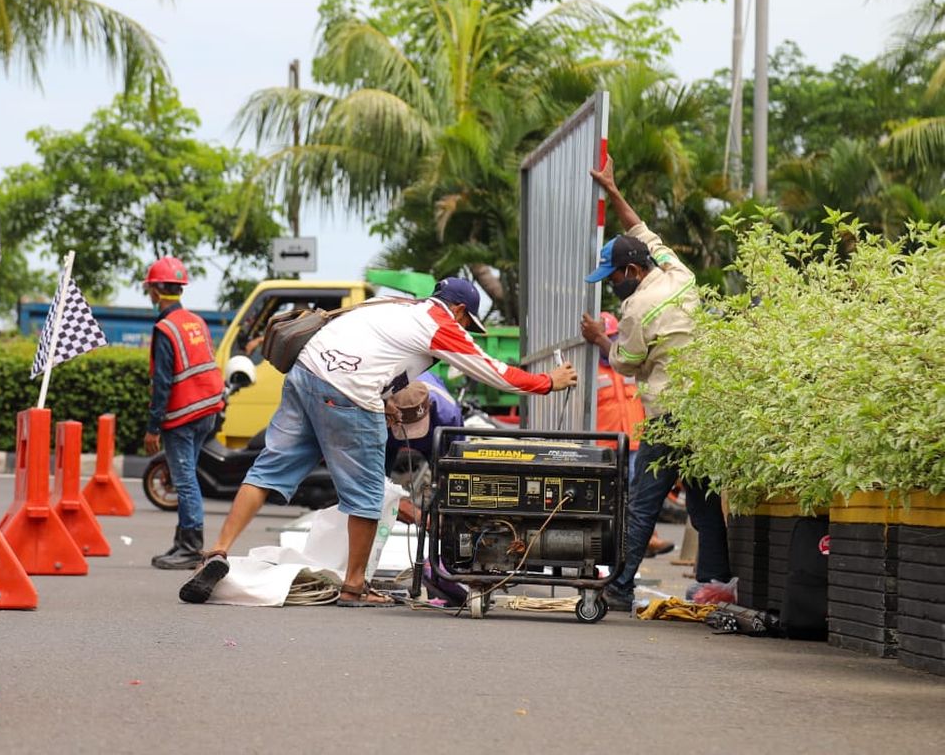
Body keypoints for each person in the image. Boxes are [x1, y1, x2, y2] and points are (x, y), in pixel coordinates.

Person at [180, 277, 578, 606]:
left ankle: (216, 550)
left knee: (266, 470)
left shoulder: (392, 305)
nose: (464, 329)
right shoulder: (440, 325)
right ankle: (354, 587)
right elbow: (492, 370)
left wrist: (384, 397)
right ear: (458, 310)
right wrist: (547, 382)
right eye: (466, 322)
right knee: (368, 494)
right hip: (349, 392)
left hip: (306, 372)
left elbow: (378, 353)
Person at [580, 156, 732, 611]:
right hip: (703, 412)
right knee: (704, 505)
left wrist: (598, 340)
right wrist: (613, 188)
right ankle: (714, 582)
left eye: (613, 278)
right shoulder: (679, 276)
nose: (613, 287)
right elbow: (645, 232)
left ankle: (621, 587)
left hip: (669, 417)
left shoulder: (635, 309)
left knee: (643, 501)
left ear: (629, 273)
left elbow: (625, 363)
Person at [143, 256, 226, 570]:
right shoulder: (196, 321)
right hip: (207, 411)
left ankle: (191, 548)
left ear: (156, 291)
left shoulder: (165, 328)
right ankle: (182, 543)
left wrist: (153, 426)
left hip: (183, 415)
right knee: (187, 477)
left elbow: (162, 382)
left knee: (185, 479)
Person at [594, 311, 673, 559]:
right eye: (605, 337)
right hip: (606, 446)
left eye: (613, 337)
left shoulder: (630, 366)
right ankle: (617, 546)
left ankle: (647, 539)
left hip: (637, 440)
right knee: (612, 497)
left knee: (639, 494)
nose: (609, 342)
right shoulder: (590, 369)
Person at [384, 372, 463, 475]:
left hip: (432, 436)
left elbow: (456, 457)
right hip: (388, 433)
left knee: (443, 474)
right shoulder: (376, 406)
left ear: (429, 406)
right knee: (377, 478)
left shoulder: (449, 415)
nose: (411, 437)